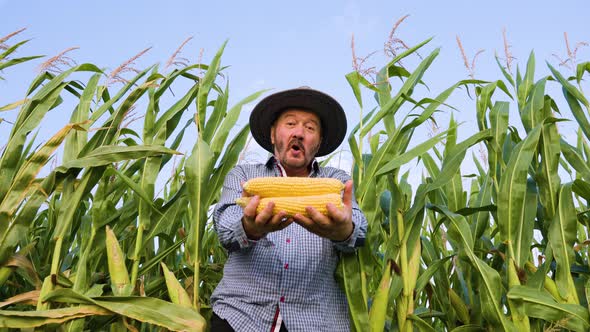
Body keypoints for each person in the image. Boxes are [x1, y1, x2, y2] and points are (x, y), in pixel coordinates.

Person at [210, 87, 367, 331]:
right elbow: (225, 230)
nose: (299, 133)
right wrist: (248, 228)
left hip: (316, 321)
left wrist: (344, 230)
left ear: (320, 142)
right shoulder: (244, 176)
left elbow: (359, 229)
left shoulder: (336, 180)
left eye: (310, 127)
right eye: (290, 123)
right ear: (273, 135)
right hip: (241, 315)